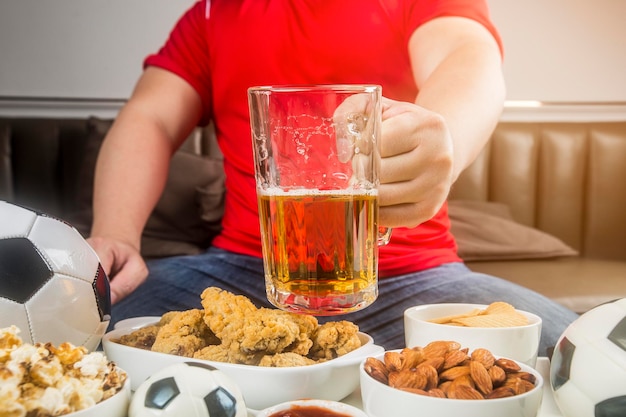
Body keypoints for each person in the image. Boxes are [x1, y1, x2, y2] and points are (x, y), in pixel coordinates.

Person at [89, 0, 578, 355]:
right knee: (83, 336)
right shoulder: (214, 14)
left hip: (415, 274)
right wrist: (115, 232)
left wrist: (441, 133)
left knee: (589, 357)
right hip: (239, 272)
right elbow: (150, 118)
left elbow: (469, 61)